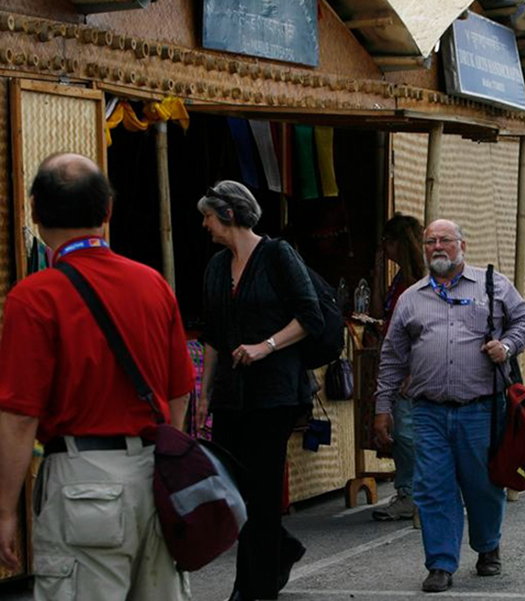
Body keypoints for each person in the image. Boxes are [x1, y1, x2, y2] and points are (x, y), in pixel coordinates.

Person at [0, 153, 194, 599]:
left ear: (33, 209)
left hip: (81, 482)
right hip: (155, 476)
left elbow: (18, 416)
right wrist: (166, 465)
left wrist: (5, 509)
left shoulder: (34, 296)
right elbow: (181, 392)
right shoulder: (153, 285)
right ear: (107, 211)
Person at [373, 219, 525, 593]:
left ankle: (487, 546)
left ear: (463, 244)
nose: (437, 247)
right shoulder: (410, 298)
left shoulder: (492, 285)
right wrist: (382, 407)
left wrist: (507, 346)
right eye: (430, 241)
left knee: (482, 485)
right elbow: (392, 358)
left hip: (481, 408)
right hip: (428, 411)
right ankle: (441, 563)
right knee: (433, 487)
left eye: (445, 240)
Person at [196, 181, 325, 601]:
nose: (205, 224)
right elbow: (213, 335)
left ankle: (255, 587)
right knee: (234, 490)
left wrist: (265, 346)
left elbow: (310, 316)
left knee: (263, 491)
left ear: (229, 215)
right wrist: (203, 397)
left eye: (209, 216)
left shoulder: (277, 255)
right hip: (231, 396)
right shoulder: (216, 266)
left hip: (275, 394)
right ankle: (280, 549)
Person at [369, 214, 426, 522]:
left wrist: (415, 369)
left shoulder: (422, 281)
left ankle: (414, 492)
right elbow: (379, 314)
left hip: (412, 366)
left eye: (387, 243)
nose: (385, 249)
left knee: (406, 432)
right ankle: (409, 491)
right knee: (402, 431)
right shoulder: (399, 279)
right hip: (395, 360)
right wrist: (378, 272)